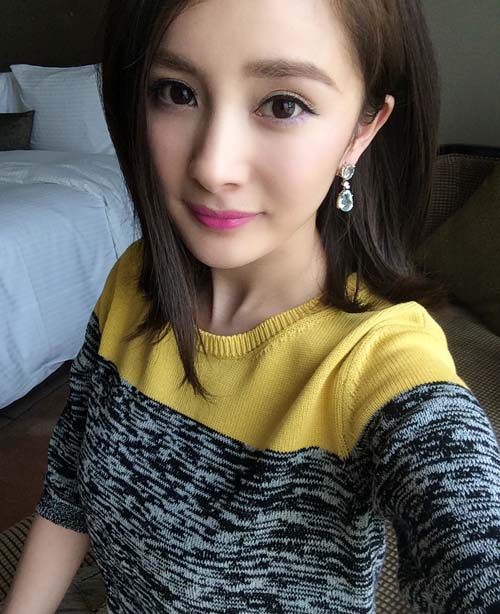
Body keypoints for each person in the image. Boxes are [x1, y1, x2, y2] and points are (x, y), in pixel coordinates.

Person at [4, 0, 500, 612]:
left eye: (283, 105)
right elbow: (69, 487)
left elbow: (470, 545)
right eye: (176, 92)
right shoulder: (133, 280)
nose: (212, 167)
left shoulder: (377, 363)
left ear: (362, 130)